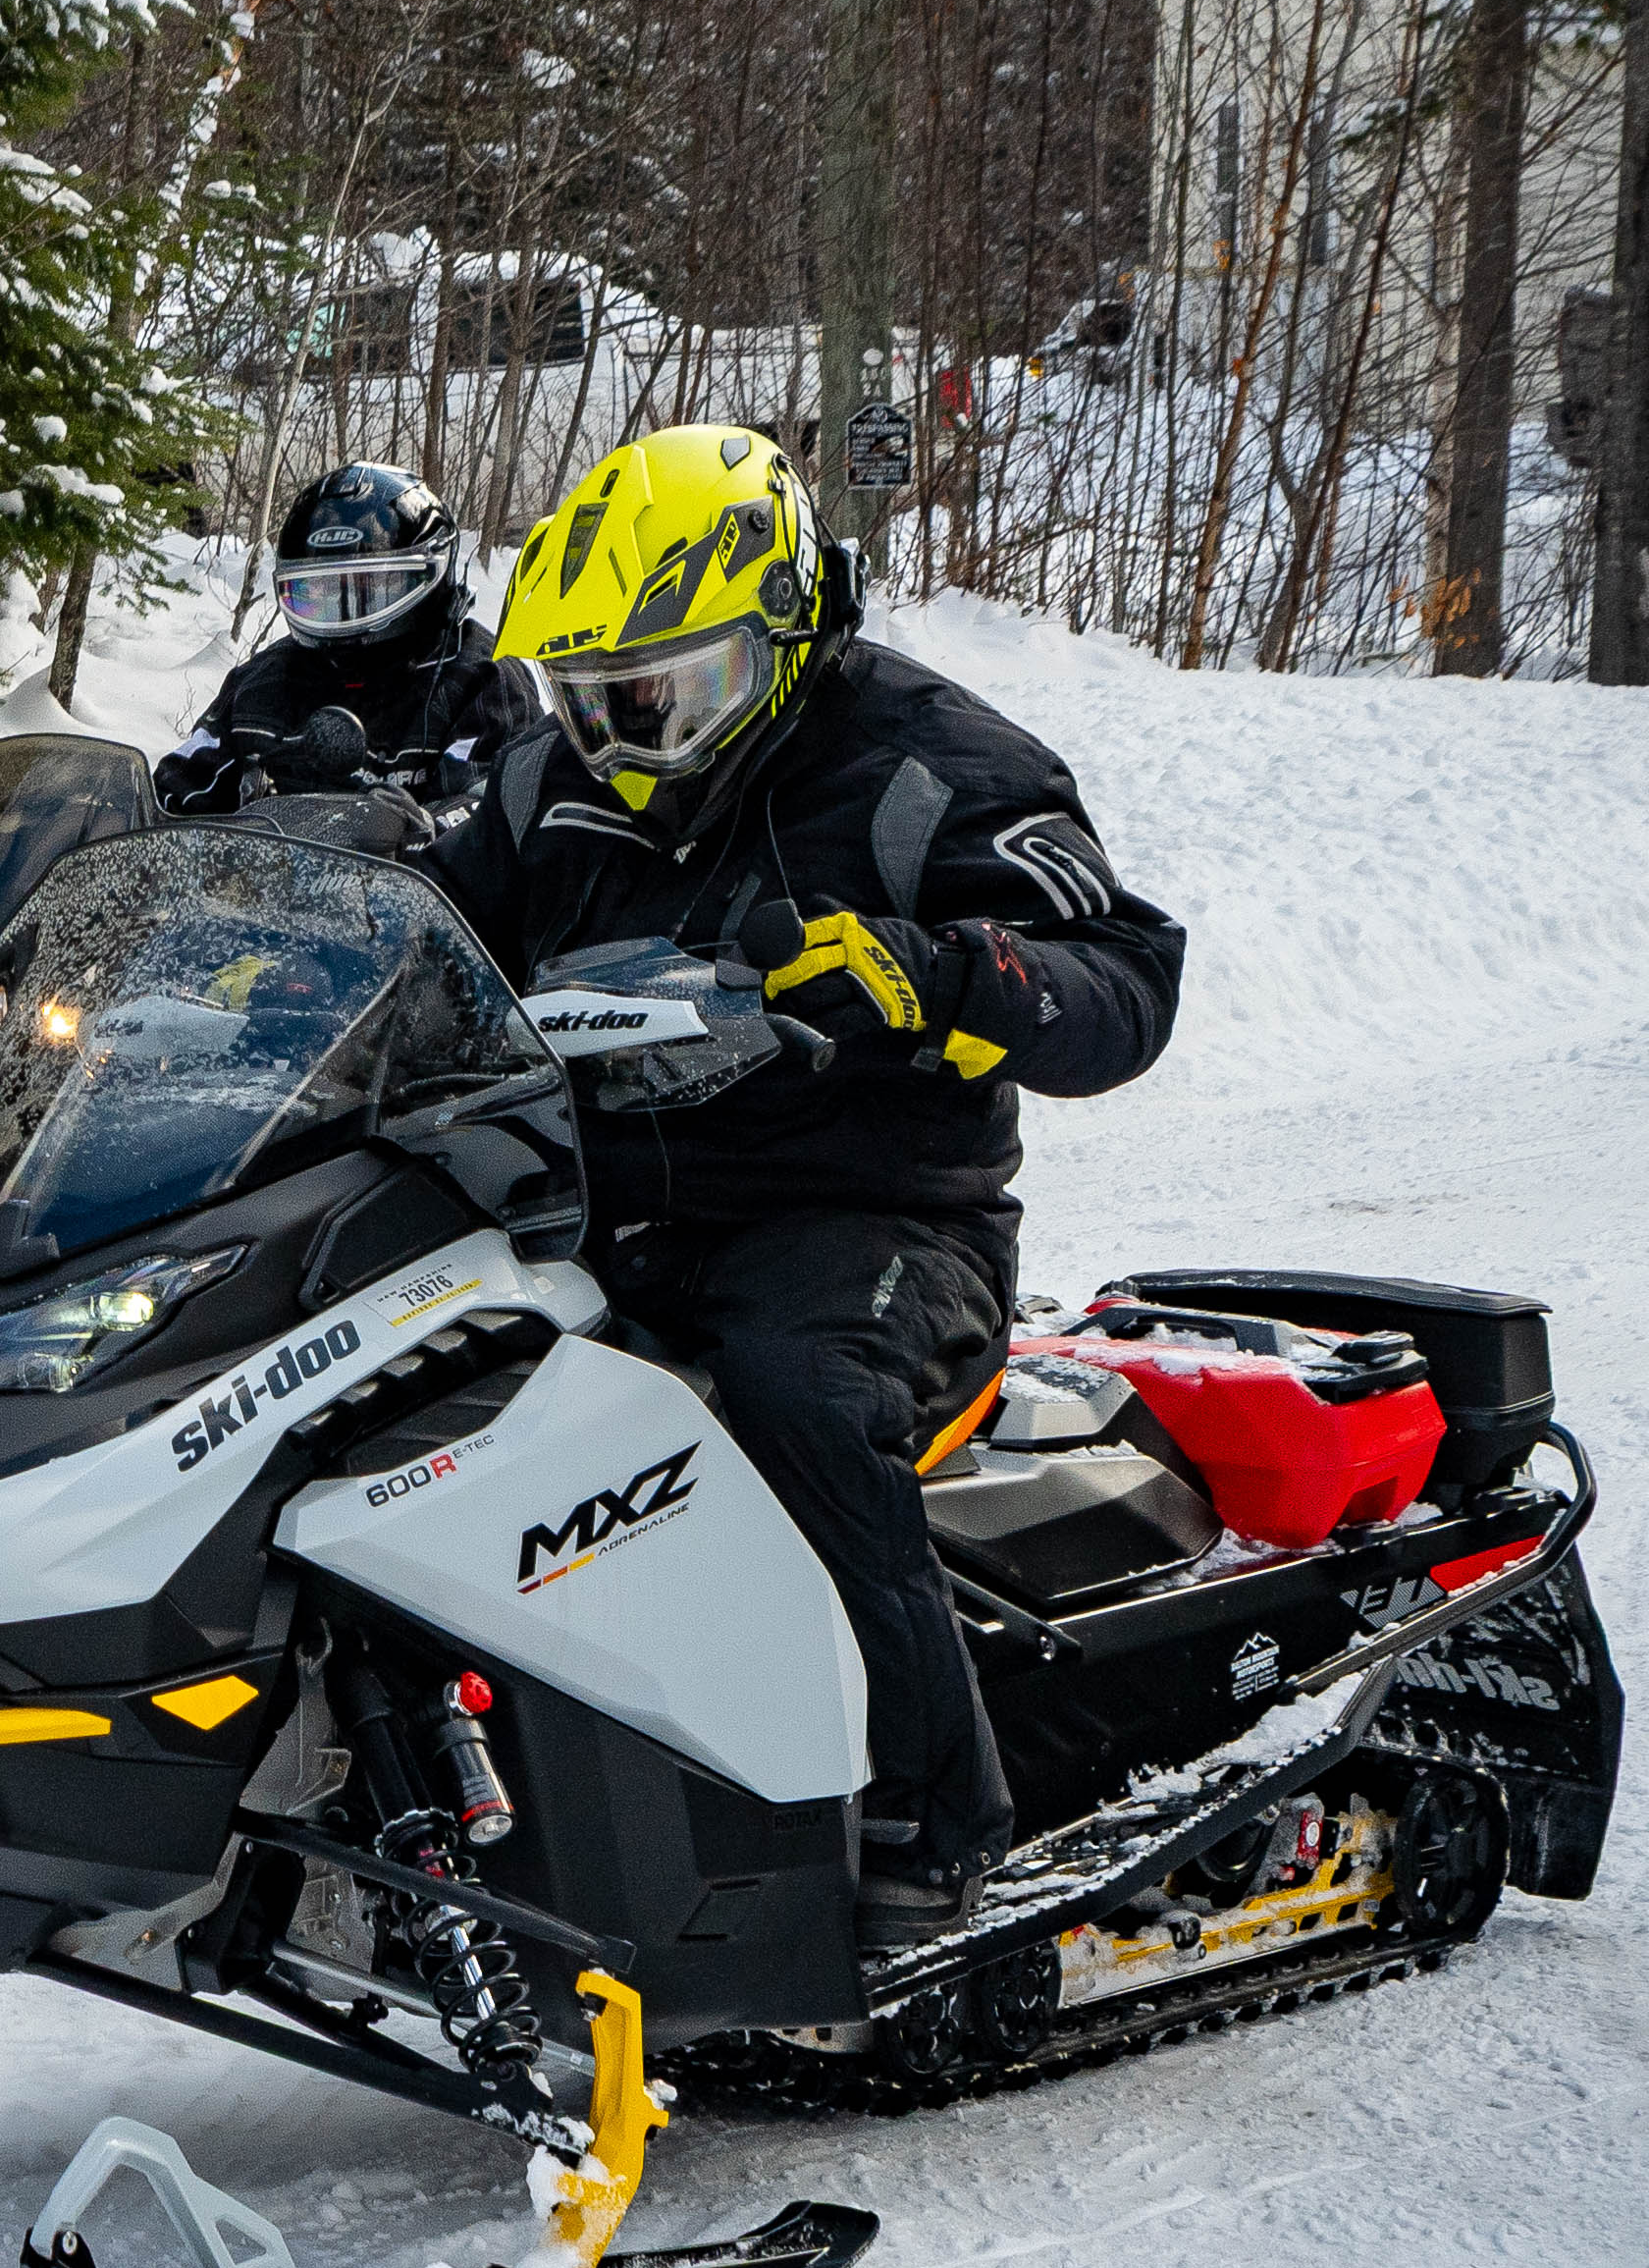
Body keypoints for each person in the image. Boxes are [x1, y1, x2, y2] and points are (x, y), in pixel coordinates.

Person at [463, 423, 1185, 1932]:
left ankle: (932, 1811)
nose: (627, 739)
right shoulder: (551, 782)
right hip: (597, 1200)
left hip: (870, 1214)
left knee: (798, 1400)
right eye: (592, 702)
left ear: (787, 629)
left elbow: (1124, 984)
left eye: (667, 692)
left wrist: (945, 976)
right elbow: (427, 909)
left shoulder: (938, 765)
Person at [151, 461, 540, 817]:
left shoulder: (482, 681)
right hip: (259, 888)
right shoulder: (262, 683)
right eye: (318, 595)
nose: (343, 616)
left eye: (372, 590)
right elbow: (173, 792)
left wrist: (409, 829)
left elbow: (492, 819)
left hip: (415, 888)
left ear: (431, 576)